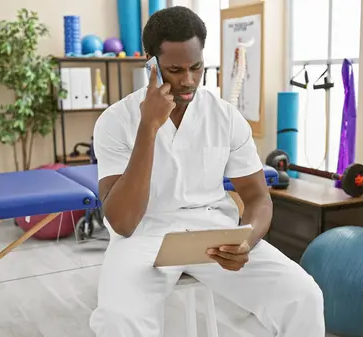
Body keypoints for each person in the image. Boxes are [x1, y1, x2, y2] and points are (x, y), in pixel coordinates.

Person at [89, 6, 325, 337]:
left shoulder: (225, 118)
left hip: (214, 233)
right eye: (174, 69)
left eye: (196, 67)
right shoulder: (115, 122)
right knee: (118, 320)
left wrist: (247, 239)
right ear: (151, 64)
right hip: (143, 238)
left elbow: (258, 198)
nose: (188, 80)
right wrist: (148, 127)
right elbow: (123, 222)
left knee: (303, 296)